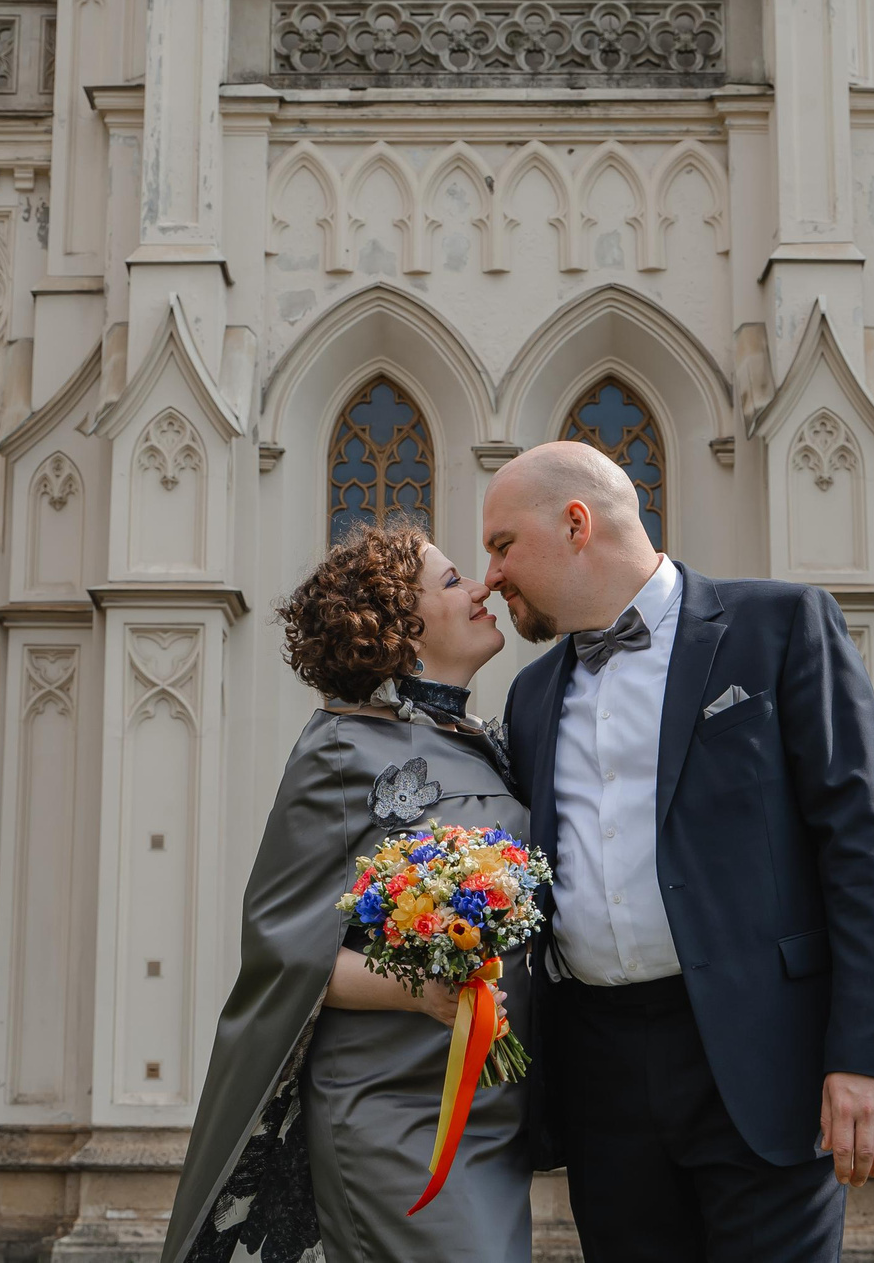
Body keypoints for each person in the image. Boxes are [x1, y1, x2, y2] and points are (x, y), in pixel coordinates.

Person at [483, 442, 874, 1263]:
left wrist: (871, 1049)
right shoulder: (530, 694)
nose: (492, 575)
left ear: (576, 524)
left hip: (765, 1054)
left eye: (503, 545)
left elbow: (866, 842)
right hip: (600, 1072)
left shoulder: (780, 626)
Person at [160, 522, 531, 1263]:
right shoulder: (337, 747)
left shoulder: (484, 741)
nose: (481, 586)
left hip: (492, 1111)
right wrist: (423, 990)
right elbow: (285, 955)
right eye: (453, 580)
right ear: (403, 629)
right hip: (393, 1110)